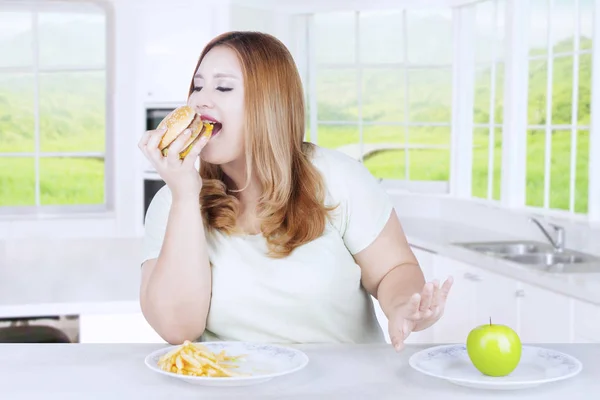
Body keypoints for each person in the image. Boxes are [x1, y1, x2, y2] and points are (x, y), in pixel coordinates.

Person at [137, 31, 453, 352]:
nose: (199, 99)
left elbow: (394, 270)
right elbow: (179, 329)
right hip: (235, 385)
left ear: (269, 103)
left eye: (223, 87)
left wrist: (402, 306)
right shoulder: (173, 202)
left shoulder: (337, 177)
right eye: (197, 85)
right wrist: (186, 197)